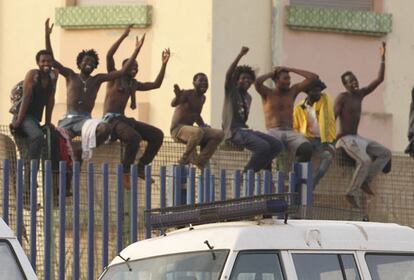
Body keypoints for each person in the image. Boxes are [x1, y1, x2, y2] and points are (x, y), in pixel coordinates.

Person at [45, 20, 143, 161]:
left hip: (84, 121)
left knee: (105, 129)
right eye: (86, 61)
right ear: (79, 63)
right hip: (67, 120)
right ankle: (60, 173)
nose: (89, 63)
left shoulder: (97, 79)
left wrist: (136, 50)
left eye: (92, 62)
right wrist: (47, 36)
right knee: (53, 141)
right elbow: (52, 61)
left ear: (95, 65)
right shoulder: (71, 75)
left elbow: (122, 71)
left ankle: (83, 150)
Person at [103, 25, 170, 182]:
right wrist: (126, 38)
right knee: (134, 138)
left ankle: (141, 166)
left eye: (137, 67)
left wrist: (164, 64)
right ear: (124, 67)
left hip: (123, 120)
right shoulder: (114, 77)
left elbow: (156, 84)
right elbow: (109, 55)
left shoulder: (133, 84)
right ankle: (125, 171)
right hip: (111, 120)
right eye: (132, 66)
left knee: (157, 135)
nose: (135, 69)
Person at [334, 42, 391, 209]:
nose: (354, 83)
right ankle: (351, 192)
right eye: (350, 82)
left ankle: (366, 181)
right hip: (345, 139)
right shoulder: (342, 97)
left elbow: (379, 79)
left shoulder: (360, 94)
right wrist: (330, 141)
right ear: (345, 85)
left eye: (355, 80)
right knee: (365, 160)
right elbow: (332, 117)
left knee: (385, 153)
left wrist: (382, 59)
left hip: (358, 138)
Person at [222, 47, 282, 173]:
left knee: (277, 145)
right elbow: (228, 74)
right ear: (237, 79)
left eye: (249, 79)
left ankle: (258, 169)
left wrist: (272, 74)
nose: (246, 81)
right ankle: (247, 172)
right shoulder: (231, 91)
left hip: (246, 130)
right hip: (233, 131)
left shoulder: (248, 97)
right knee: (263, 147)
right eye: (243, 78)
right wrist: (240, 55)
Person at [10, 19, 58, 161]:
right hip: (24, 117)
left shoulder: (53, 76)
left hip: (35, 120)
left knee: (34, 153)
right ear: (38, 63)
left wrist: (48, 123)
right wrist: (18, 121)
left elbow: (50, 100)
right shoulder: (33, 75)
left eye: (48, 61)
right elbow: (26, 97)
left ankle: (30, 182)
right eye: (43, 61)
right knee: (37, 138)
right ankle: (29, 173)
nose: (46, 64)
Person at [254, 66, 318, 163]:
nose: (289, 81)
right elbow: (257, 82)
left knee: (307, 149)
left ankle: (297, 175)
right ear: (276, 80)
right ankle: (269, 176)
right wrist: (272, 73)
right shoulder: (267, 93)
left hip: (290, 132)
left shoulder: (293, 91)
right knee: (265, 149)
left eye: (289, 78)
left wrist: (291, 69)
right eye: (285, 78)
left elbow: (313, 77)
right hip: (273, 131)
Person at [170, 73, 224, 169]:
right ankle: (184, 159)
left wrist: (203, 125)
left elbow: (196, 115)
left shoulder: (202, 98)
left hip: (191, 131)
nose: (204, 83)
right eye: (201, 81)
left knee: (219, 134)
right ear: (194, 83)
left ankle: (200, 161)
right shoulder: (187, 93)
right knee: (198, 132)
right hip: (178, 129)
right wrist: (177, 97)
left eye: (206, 81)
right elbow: (174, 104)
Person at [293, 79, 336, 187]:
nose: (318, 93)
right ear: (308, 92)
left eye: (319, 91)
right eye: (315, 91)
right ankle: (295, 183)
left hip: (323, 140)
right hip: (308, 138)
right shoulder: (299, 107)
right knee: (300, 159)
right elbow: (295, 127)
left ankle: (312, 184)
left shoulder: (325, 100)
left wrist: (328, 143)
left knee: (328, 157)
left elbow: (326, 120)